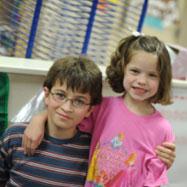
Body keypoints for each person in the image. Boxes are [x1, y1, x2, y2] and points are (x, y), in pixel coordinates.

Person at [23, 35, 176, 186]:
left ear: (162, 79)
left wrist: (165, 163)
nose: (142, 81)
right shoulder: (103, 108)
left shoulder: (163, 129)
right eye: (135, 71)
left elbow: (155, 178)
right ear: (123, 70)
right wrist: (38, 119)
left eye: (152, 75)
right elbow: (67, 116)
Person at [0, 56, 103, 186]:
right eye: (60, 95)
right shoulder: (14, 136)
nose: (67, 108)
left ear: (90, 110)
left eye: (79, 101)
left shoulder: (90, 150)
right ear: (47, 95)